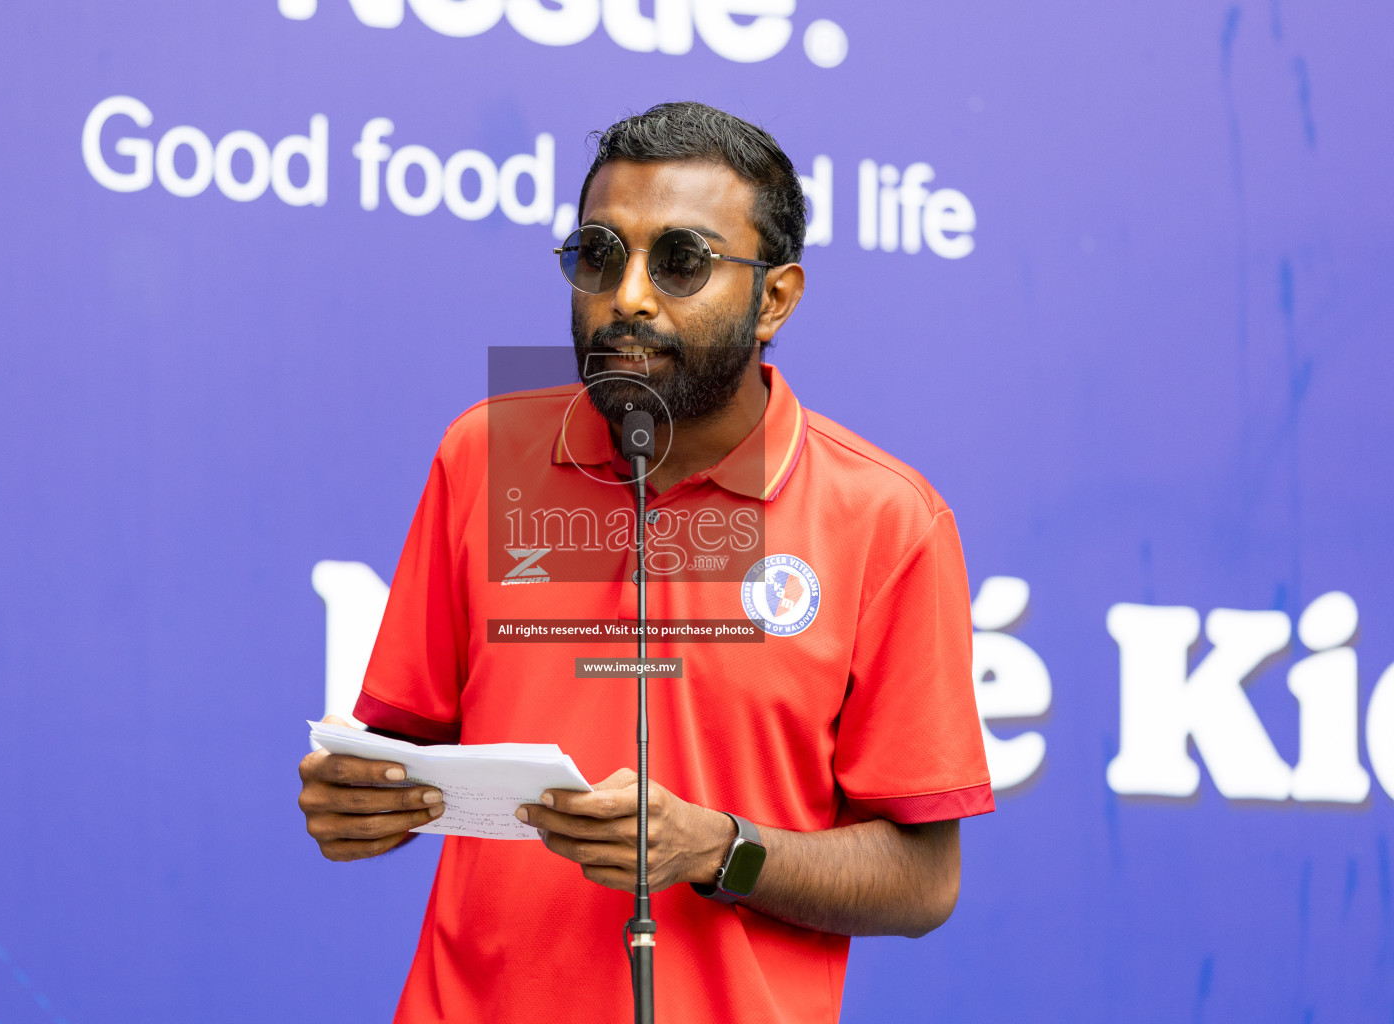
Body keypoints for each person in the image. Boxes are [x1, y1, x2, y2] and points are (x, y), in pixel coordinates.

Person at [297, 101, 993, 1023]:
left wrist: (716, 849)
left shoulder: (888, 520)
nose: (627, 294)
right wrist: (360, 797)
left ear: (775, 299)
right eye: (598, 253)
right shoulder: (486, 452)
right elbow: (409, 748)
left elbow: (922, 881)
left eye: (681, 261)